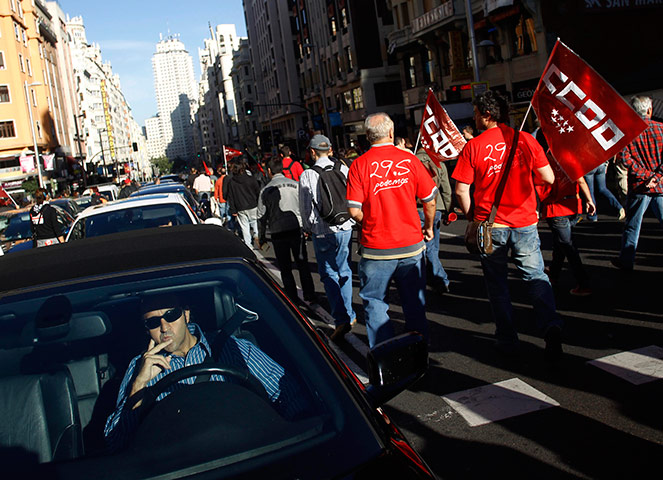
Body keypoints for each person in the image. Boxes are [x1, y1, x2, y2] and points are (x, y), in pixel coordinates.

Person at [104, 295, 308, 451]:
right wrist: (139, 384)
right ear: (147, 329)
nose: (165, 327)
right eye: (153, 322)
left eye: (171, 315)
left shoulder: (233, 348)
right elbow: (115, 441)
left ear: (186, 315)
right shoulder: (139, 367)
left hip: (243, 452)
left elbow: (290, 395)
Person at [452, 90, 562, 361]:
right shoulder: (525, 140)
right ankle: (550, 326)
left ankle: (507, 338)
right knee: (536, 276)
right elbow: (547, 177)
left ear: (487, 115)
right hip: (525, 221)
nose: (474, 117)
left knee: (497, 284)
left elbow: (461, 191)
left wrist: (472, 218)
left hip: (492, 226)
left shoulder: (474, 146)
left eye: (476, 112)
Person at [347, 113, 437, 349]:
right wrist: (428, 228)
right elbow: (429, 200)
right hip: (411, 245)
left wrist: (374, 220)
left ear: (367, 136)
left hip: (376, 248)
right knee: (414, 305)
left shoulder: (358, 165)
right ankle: (420, 355)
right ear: (391, 133)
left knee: (376, 303)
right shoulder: (409, 160)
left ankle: (386, 362)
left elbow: (354, 211)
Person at [299, 135, 356, 342]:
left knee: (328, 273)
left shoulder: (308, 175)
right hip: (346, 226)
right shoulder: (343, 168)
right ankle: (349, 314)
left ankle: (340, 318)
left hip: (322, 230)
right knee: (345, 270)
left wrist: (307, 228)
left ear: (313, 152)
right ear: (330, 150)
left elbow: (306, 208)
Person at [613, 95, 663, 271]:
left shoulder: (627, 133)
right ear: (650, 110)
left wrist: (645, 176)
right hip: (659, 185)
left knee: (632, 226)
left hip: (639, 186)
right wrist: (655, 177)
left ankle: (626, 262)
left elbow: (626, 160)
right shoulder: (661, 129)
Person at [257, 158, 316, 303]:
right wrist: (308, 226)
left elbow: (261, 216)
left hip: (278, 231)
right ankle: (310, 294)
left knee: (285, 267)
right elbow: (305, 207)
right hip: (297, 228)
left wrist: (262, 236)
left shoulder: (266, 190)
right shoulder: (295, 185)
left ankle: (292, 297)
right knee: (302, 263)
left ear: (269, 171)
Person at [539, 173, 596, 296]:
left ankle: (584, 283)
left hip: (556, 207)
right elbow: (581, 181)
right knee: (561, 241)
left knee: (568, 245)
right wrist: (589, 200)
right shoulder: (570, 160)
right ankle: (554, 273)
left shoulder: (547, 164)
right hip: (572, 205)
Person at [415, 145, 453, 294]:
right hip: (436, 207)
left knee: (422, 248)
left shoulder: (412, 161)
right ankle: (440, 279)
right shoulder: (438, 163)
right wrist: (448, 210)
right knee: (432, 247)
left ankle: (428, 278)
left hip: (417, 209)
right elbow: (446, 189)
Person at [224, 160, 261, 248]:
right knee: (254, 221)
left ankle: (248, 244)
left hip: (240, 207)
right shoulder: (251, 179)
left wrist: (233, 210)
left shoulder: (232, 182)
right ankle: (257, 234)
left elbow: (231, 197)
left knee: (245, 227)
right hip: (252, 204)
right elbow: (257, 191)